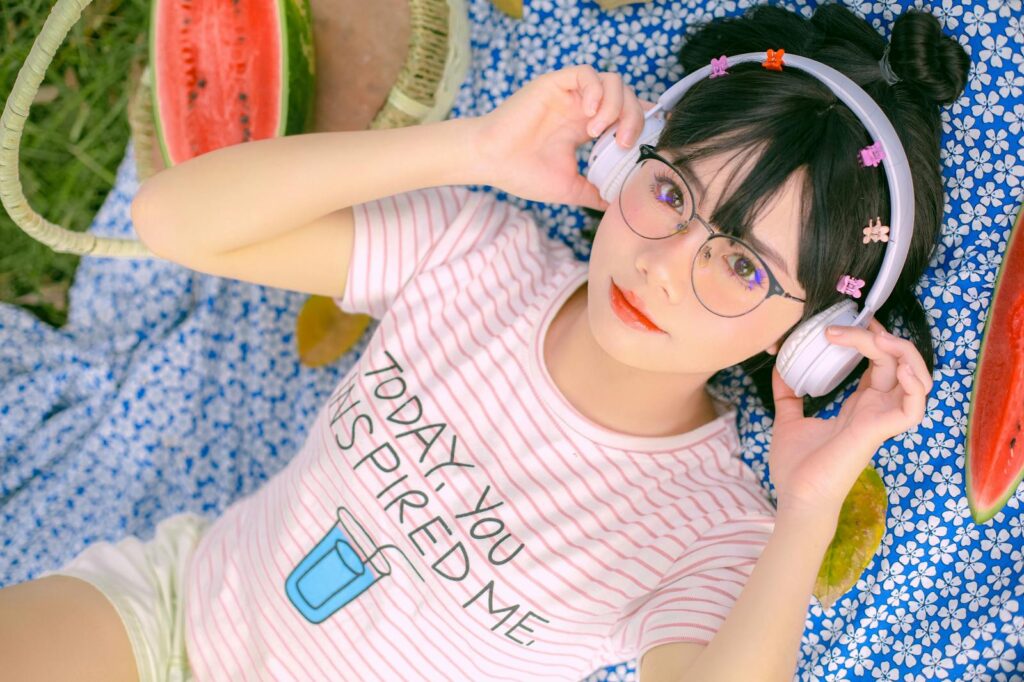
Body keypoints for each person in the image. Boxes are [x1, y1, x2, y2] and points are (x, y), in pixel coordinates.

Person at [0, 4, 968, 681]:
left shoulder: (716, 537)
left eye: (743, 265)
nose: (666, 266)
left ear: (811, 343)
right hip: (165, 617)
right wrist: (469, 149)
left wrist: (805, 508)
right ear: (622, 160)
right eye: (670, 194)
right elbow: (175, 217)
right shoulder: (474, 251)